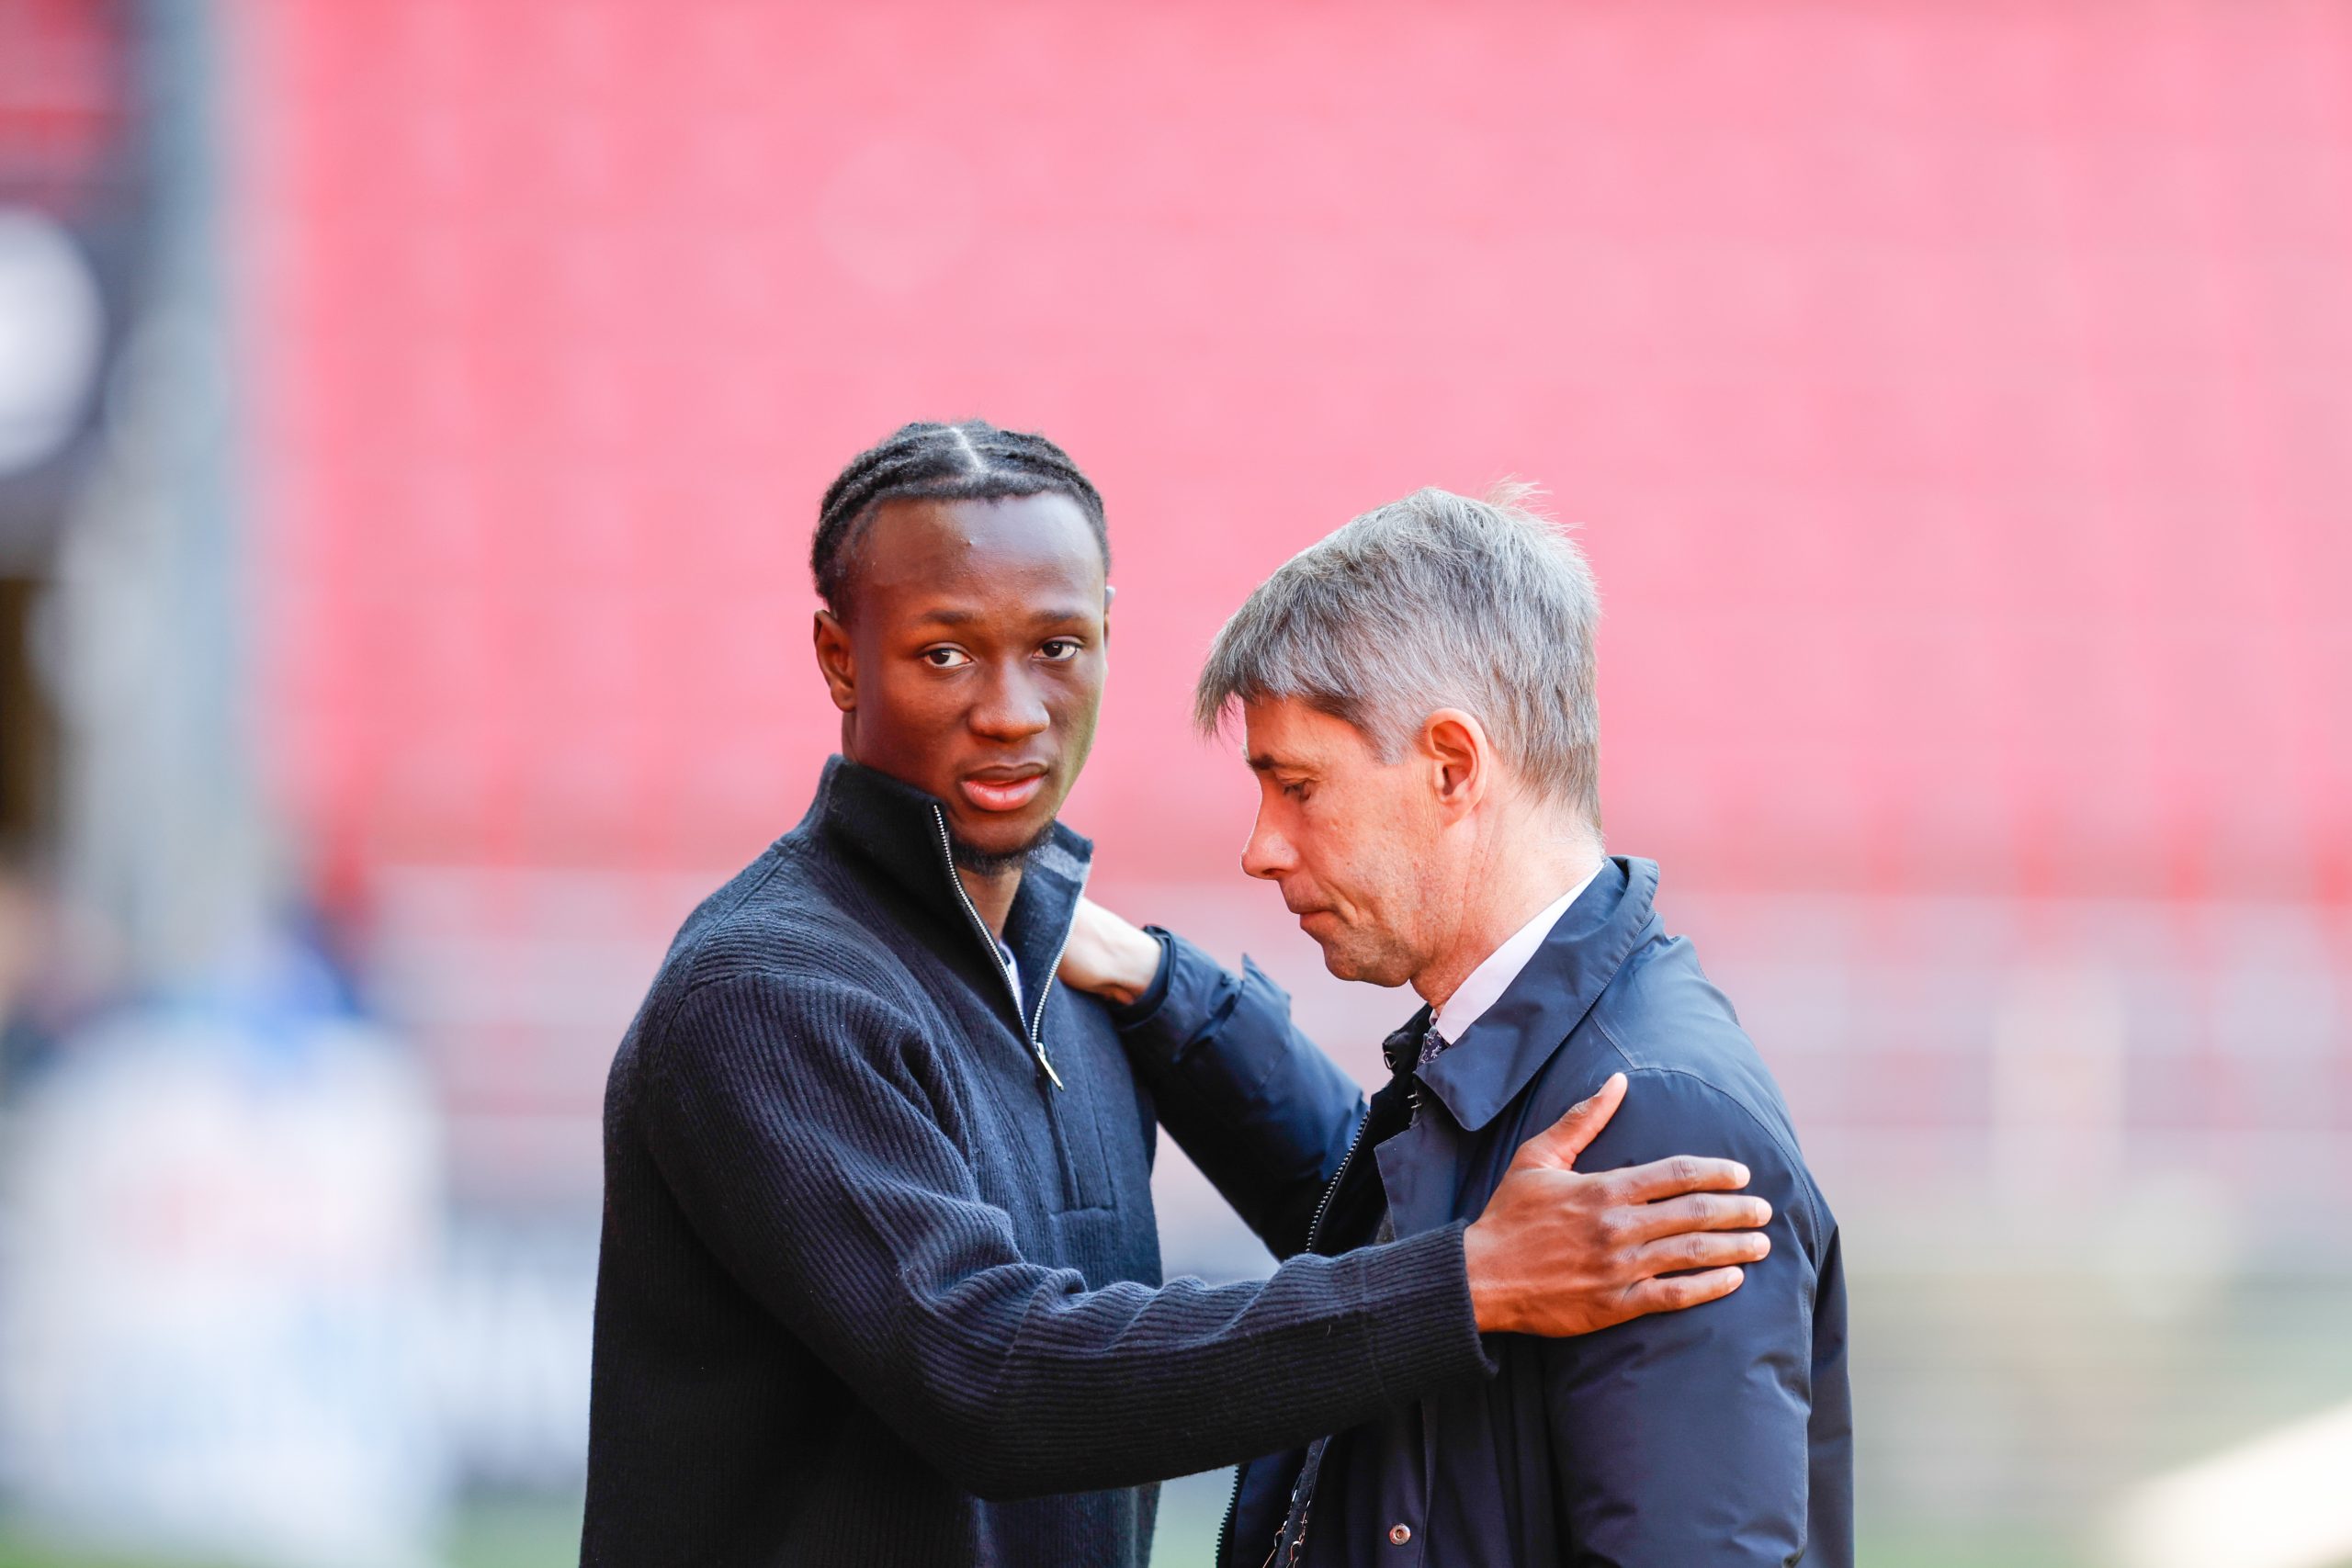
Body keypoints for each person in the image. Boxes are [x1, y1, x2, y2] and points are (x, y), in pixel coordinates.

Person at [580, 423, 1773, 1568]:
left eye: (1056, 647)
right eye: (945, 653)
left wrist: (1172, 998)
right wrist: (1463, 1283)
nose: (1011, 709)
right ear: (841, 657)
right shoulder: (765, 995)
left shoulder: (1073, 975)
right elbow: (988, 1373)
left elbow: (1365, 1218)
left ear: (1106, 634)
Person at [1063, 483, 1851, 1565]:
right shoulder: (1515, 1051)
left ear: (1452, 765)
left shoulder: (1651, 1115)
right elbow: (1388, 1234)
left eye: (1298, 787)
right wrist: (1157, 984)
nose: (1260, 849)